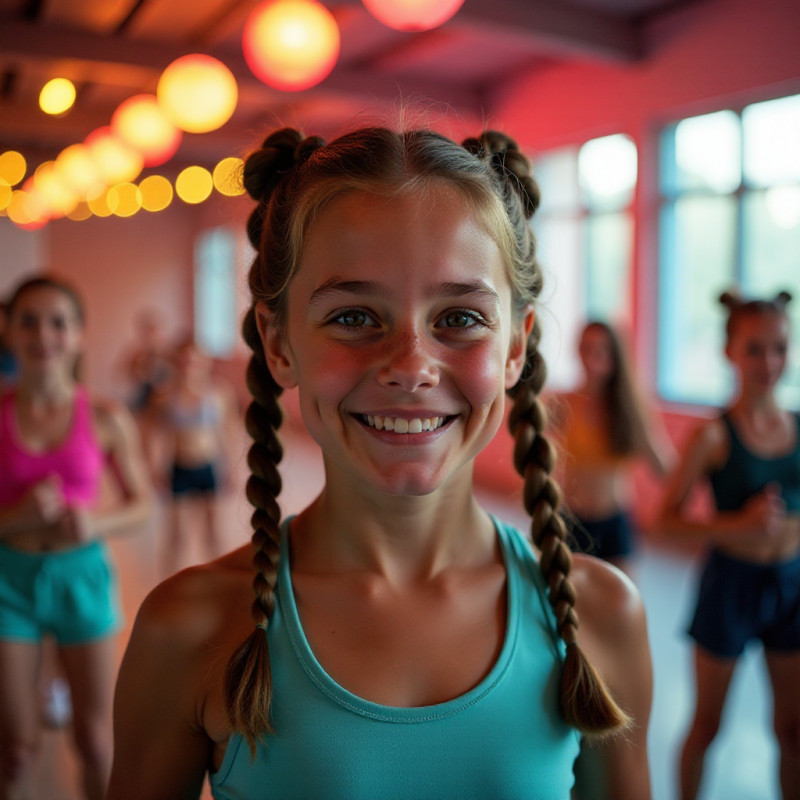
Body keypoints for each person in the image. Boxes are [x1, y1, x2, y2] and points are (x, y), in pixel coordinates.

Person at [108, 126, 652, 799]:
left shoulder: (600, 618)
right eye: (354, 316)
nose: (410, 367)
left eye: (459, 318)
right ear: (279, 345)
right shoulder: (191, 629)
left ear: (516, 346)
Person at [0, 275, 153, 800]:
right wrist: (17, 517)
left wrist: (96, 523)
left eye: (58, 322)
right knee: (15, 747)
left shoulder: (107, 417)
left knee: (93, 740)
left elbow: (143, 504)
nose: (43, 334)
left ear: (79, 335)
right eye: (28, 320)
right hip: (7, 582)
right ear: (9, 331)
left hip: (81, 578)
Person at [657, 290, 800, 800]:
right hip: (730, 587)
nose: (770, 362)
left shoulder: (798, 426)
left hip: (791, 585)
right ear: (730, 353)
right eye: (756, 349)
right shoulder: (714, 437)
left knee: (793, 731)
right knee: (707, 727)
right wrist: (736, 524)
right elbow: (664, 523)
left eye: (780, 348)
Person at [552, 321, 673, 573]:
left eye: (601, 350)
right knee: (567, 604)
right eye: (586, 348)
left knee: (620, 605)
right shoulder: (562, 404)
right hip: (572, 521)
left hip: (614, 524)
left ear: (615, 357)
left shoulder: (630, 412)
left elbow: (665, 472)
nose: (592, 358)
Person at [143, 335, 240, 575]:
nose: (189, 366)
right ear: (176, 363)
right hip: (179, 468)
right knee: (175, 536)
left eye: (194, 360)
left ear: (205, 362)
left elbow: (230, 433)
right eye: (184, 361)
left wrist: (232, 468)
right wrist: (153, 468)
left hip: (208, 467)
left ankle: (222, 581)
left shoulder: (219, 393)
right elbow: (148, 432)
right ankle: (166, 586)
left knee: (214, 533)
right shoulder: (164, 396)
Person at [117, 308, 171, 416]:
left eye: (153, 330)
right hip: (142, 400)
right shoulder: (137, 354)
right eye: (147, 330)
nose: (150, 335)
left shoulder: (167, 352)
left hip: (163, 401)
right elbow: (123, 373)